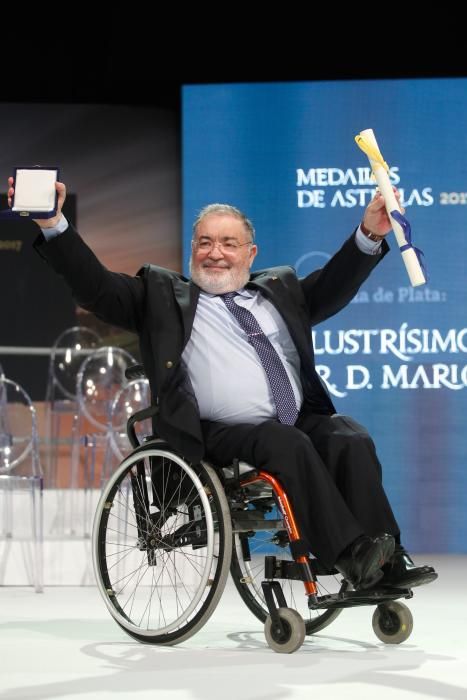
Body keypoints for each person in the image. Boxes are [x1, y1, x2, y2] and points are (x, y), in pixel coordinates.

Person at [8, 177, 437, 591]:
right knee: (285, 443)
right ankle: (350, 553)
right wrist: (53, 224)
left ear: (251, 254)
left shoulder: (279, 292)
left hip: (291, 422)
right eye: (205, 242)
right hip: (216, 433)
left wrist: (368, 233)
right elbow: (96, 287)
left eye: (229, 244)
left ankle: (388, 557)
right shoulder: (161, 298)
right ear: (192, 249)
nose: (216, 253)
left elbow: (335, 284)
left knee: (349, 435)